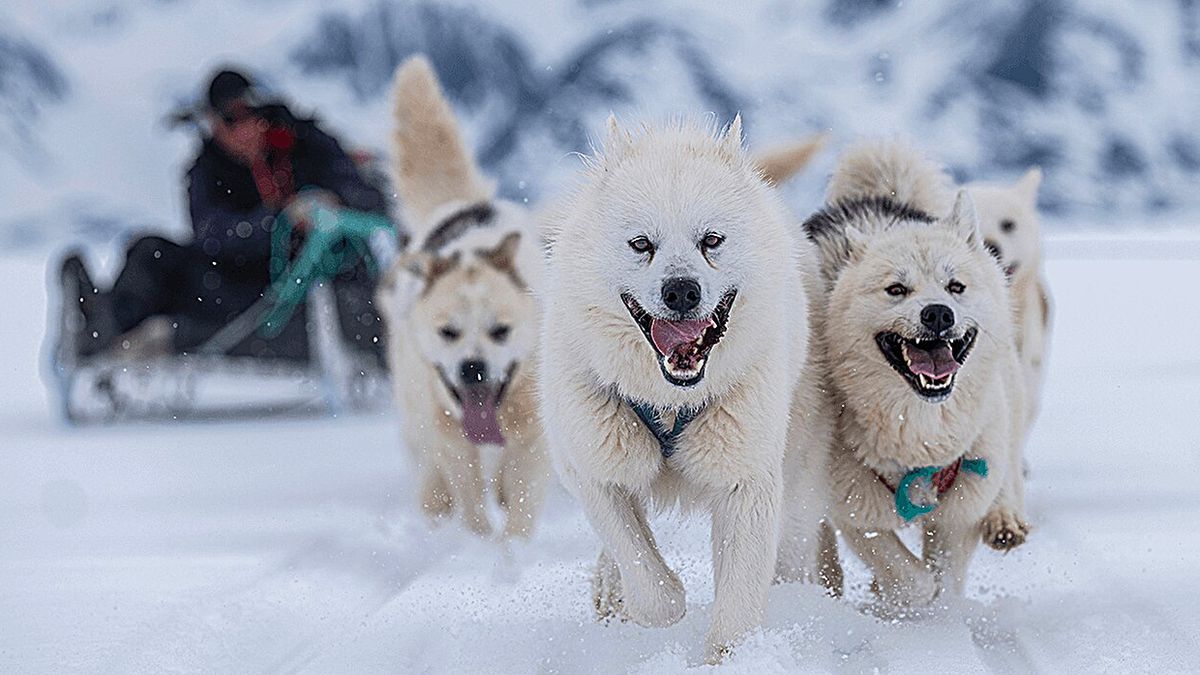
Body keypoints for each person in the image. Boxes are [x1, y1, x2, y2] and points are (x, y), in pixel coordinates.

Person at [59, 68, 389, 362]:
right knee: (151, 252)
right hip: (234, 286)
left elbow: (369, 198)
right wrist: (277, 223)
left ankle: (168, 338)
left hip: (314, 288)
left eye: (245, 116)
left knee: (335, 308)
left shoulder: (308, 144)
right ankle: (101, 329)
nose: (238, 130)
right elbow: (211, 235)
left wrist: (329, 202)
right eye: (226, 120)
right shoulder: (208, 168)